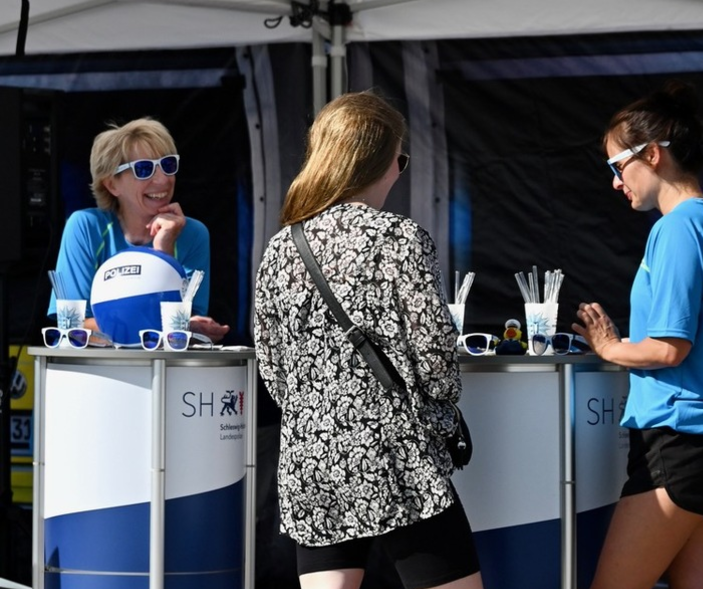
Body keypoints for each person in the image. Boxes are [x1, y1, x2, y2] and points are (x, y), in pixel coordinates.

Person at [253, 90, 484, 589]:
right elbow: (436, 361)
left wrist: (322, 411)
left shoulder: (281, 247)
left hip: (312, 456)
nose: (400, 170)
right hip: (396, 454)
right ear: (381, 161)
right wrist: (441, 403)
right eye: (400, 159)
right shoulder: (399, 239)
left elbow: (272, 367)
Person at [572, 80, 703, 589]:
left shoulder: (676, 228)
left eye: (618, 166)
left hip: (681, 444)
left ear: (652, 154)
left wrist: (610, 347)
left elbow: (669, 348)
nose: (615, 182)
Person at [47, 117, 229, 342]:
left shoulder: (193, 234)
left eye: (168, 165)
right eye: (144, 169)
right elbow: (73, 327)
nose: (163, 179)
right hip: (93, 371)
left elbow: (177, 335)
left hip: (164, 371)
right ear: (112, 184)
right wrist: (164, 325)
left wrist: (163, 250)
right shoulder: (85, 227)